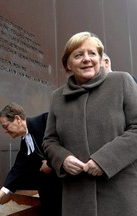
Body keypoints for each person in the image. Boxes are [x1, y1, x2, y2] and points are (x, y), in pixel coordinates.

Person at [42, 31, 137, 216]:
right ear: (68, 64)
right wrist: (62, 159)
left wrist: (104, 160)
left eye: (92, 53)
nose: (86, 59)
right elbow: (49, 140)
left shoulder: (122, 82)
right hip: (76, 197)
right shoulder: (57, 98)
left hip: (120, 194)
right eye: (78, 55)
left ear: (100, 59)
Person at [0, 102, 62, 215]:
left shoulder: (45, 120)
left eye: (5, 126)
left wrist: (49, 164)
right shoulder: (25, 142)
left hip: (67, 190)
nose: (5, 131)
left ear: (17, 118)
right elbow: (17, 170)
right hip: (48, 194)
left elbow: (66, 142)